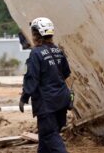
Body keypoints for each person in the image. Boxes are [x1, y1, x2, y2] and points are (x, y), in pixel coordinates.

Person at [19, 17, 71, 153]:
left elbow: (32, 78)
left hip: (47, 103)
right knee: (45, 139)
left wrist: (24, 97)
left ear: (37, 34)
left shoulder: (36, 53)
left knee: (50, 135)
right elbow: (65, 73)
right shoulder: (58, 51)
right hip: (62, 100)